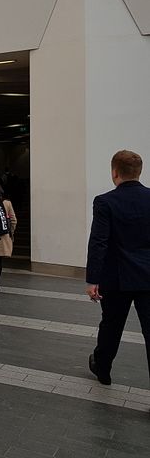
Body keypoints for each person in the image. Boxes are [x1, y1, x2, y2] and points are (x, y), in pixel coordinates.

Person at [86, 150, 150, 389]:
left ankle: (103, 369)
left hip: (116, 278)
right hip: (148, 277)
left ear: (114, 172)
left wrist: (93, 279)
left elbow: (98, 242)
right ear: (139, 172)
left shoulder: (105, 202)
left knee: (111, 325)